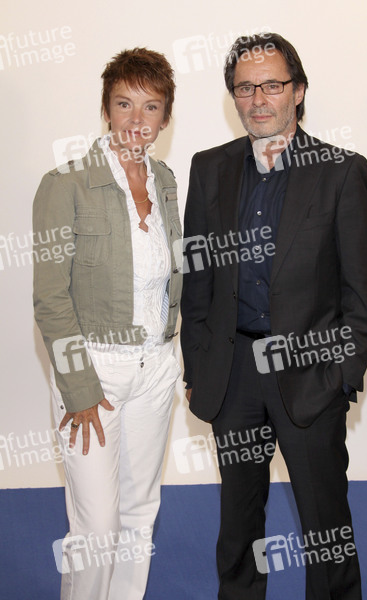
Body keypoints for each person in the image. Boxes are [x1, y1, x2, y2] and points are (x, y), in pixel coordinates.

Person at [180, 33, 367, 600]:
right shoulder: (209, 168)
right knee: (239, 527)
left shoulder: (341, 171)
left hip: (310, 373)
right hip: (233, 375)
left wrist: (340, 375)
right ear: (233, 98)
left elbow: (361, 293)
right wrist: (198, 367)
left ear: (298, 91)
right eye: (245, 88)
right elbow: (198, 279)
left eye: (272, 85)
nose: (258, 99)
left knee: (325, 528)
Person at [33, 48, 182, 600]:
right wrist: (77, 386)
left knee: (139, 512)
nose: (136, 120)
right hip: (94, 372)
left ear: (165, 118)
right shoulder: (65, 183)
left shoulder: (165, 181)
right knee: (96, 528)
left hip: (157, 368)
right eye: (124, 104)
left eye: (151, 106)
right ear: (105, 109)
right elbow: (50, 297)